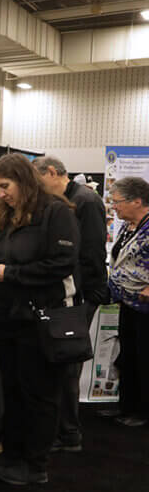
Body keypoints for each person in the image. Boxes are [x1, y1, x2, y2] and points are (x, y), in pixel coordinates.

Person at [0, 153, 79, 486]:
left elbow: (62, 263)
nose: (1, 194)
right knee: (10, 389)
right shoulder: (5, 215)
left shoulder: (56, 212)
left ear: (23, 180)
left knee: (39, 393)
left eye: (5, 186)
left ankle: (35, 463)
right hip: (6, 318)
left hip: (38, 318)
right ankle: (12, 452)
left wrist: (13, 274)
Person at [33, 155, 108, 452]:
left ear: (52, 173)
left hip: (80, 296)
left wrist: (86, 297)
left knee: (66, 362)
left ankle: (68, 432)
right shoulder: (65, 200)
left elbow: (90, 251)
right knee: (59, 362)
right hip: (68, 295)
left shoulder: (85, 201)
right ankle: (60, 429)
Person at [106, 177, 149, 427]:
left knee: (144, 357)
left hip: (145, 307)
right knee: (128, 355)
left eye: (118, 202)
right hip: (127, 302)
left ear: (137, 201)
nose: (114, 207)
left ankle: (143, 411)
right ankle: (126, 405)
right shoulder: (128, 225)